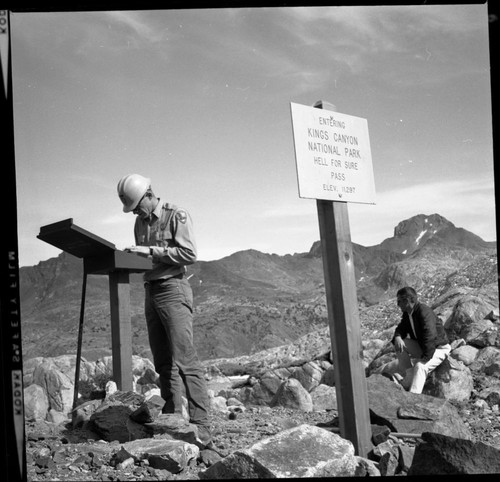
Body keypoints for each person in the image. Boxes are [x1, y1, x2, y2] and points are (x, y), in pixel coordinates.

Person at [116, 173, 212, 447]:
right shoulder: (139, 222)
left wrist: (152, 253)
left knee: (185, 360)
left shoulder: (176, 215)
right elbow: (147, 259)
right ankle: (172, 416)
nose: (135, 212)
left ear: (148, 194)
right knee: (163, 361)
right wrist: (132, 255)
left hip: (173, 288)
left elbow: (189, 254)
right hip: (151, 290)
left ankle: (201, 425)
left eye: (137, 206)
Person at [382, 286, 451, 394]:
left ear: (407, 301)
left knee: (420, 366)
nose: (398, 304)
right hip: (424, 347)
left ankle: (413, 398)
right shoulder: (408, 314)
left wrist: (425, 358)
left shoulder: (424, 312)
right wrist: (398, 337)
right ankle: (409, 379)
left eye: (399, 301)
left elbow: (430, 335)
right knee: (399, 344)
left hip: (438, 349)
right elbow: (401, 328)